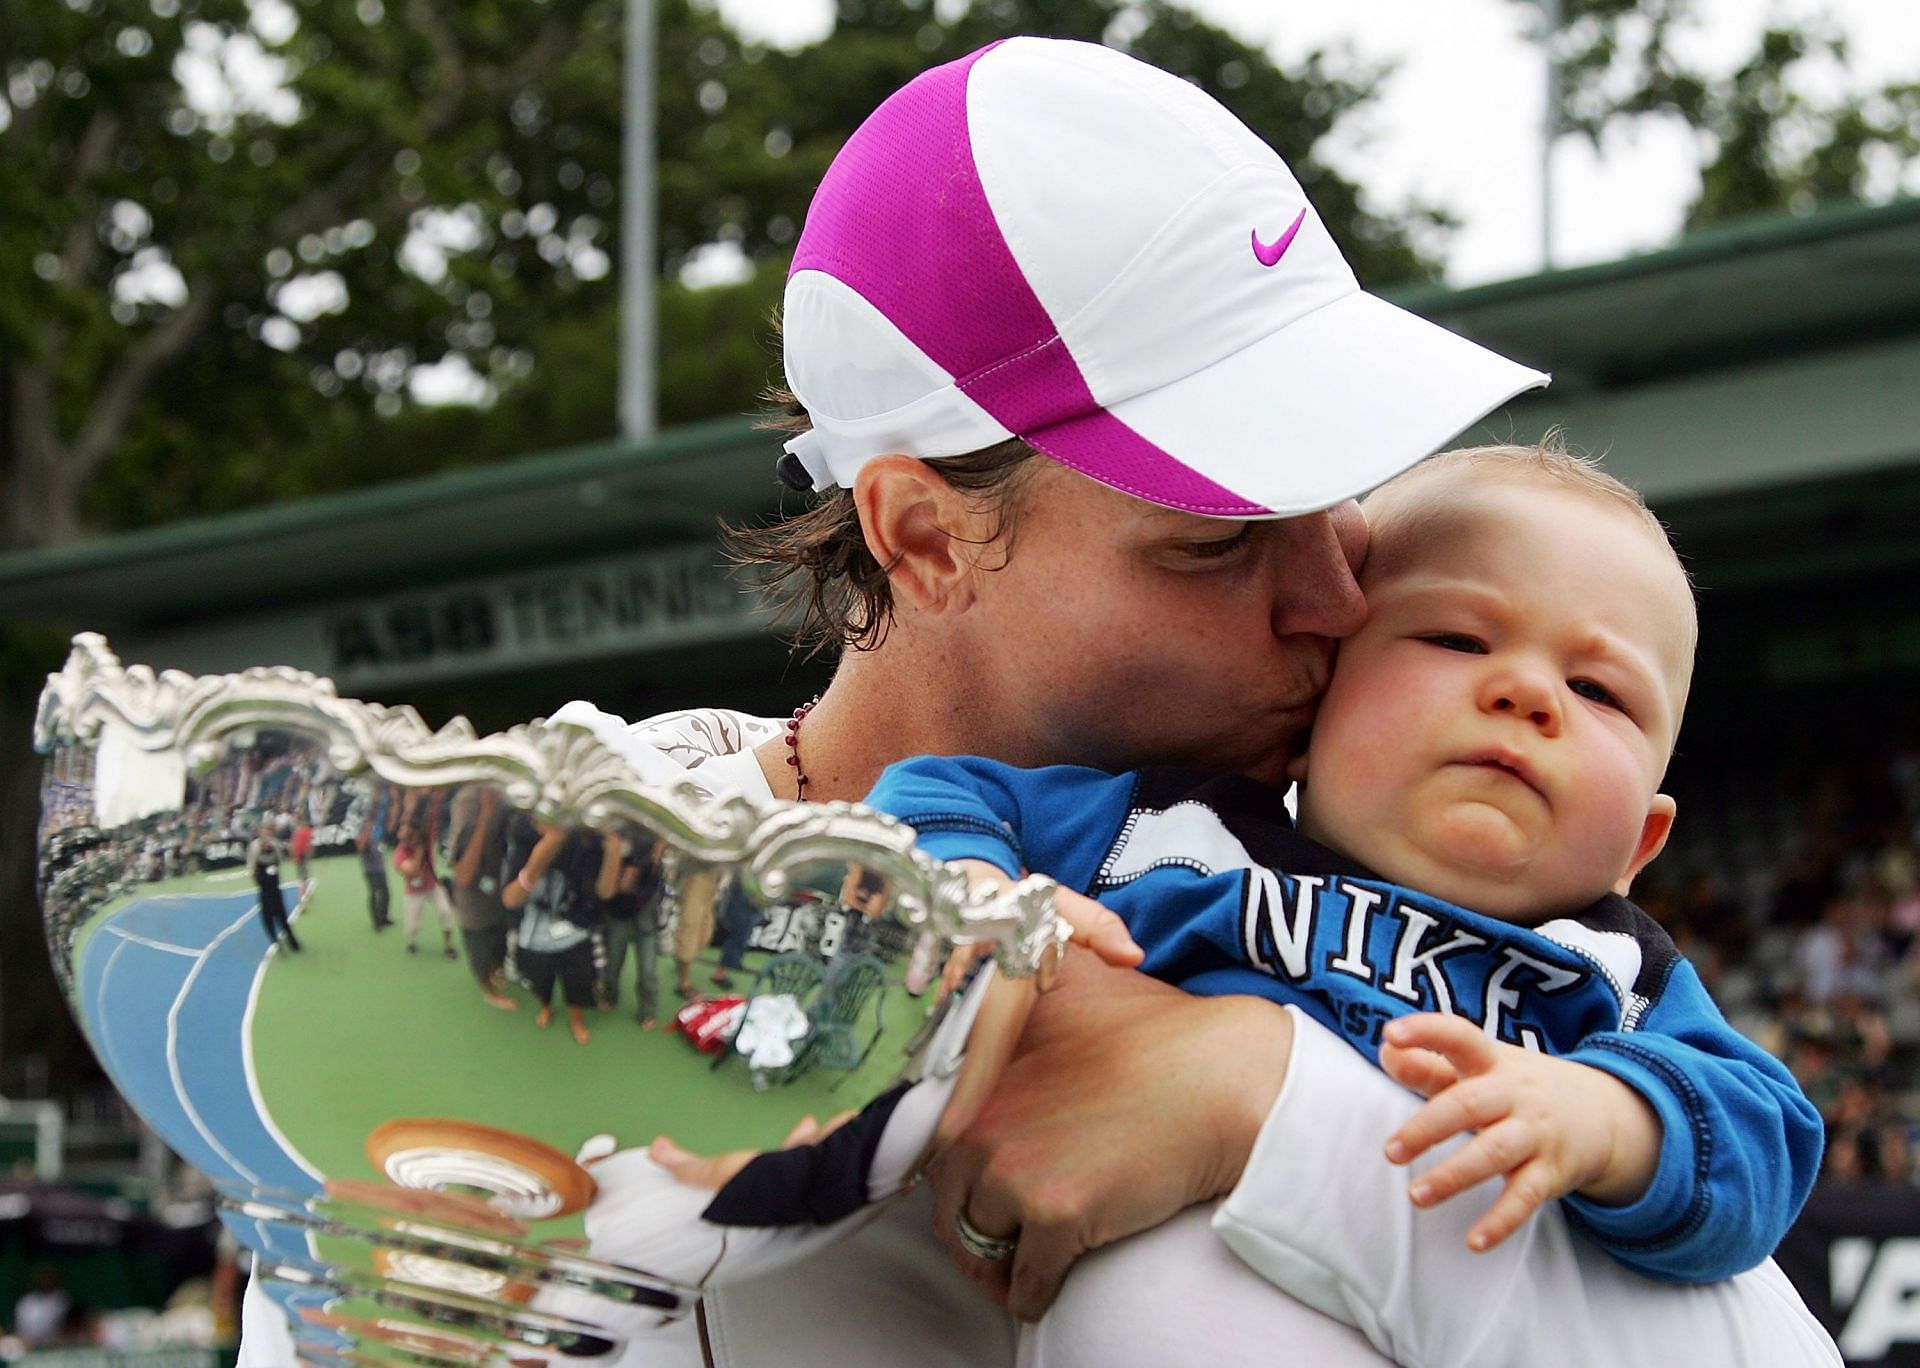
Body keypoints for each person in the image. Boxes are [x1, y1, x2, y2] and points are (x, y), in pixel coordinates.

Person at [239, 37, 1831, 1367]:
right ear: (924, 534)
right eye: (1217, 541)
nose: (1344, 597)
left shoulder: (1380, 859)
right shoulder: (534, 890)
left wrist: (1267, 1108)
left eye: (1335, 493)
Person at [863, 443, 1823, 1289]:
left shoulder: (1613, 979)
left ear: (1642, 844)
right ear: (1310, 717)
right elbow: (940, 794)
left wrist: (1604, 1118)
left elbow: (1766, 1140)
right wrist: (972, 892)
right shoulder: (1173, 829)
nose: (1527, 694)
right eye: (1456, 639)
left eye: (1599, 689)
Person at [502, 819, 601, 1044]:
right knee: (540, 980)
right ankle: (545, 1007)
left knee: (578, 982)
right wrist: (543, 852)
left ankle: (576, 1021)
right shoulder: (522, 835)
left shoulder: (584, 840)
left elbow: (599, 892)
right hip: (533, 933)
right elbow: (511, 899)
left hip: (575, 929)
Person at [446, 783, 516, 1009]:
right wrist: (486, 812)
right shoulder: (468, 800)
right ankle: (489, 991)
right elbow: (464, 875)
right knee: (480, 948)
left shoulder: (505, 793)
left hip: (500, 890)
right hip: (474, 900)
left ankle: (496, 973)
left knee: (500, 941)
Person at [598, 832, 666, 1026]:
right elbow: (621, 887)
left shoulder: (652, 834)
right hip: (618, 911)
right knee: (612, 963)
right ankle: (609, 996)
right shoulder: (617, 835)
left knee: (648, 970)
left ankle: (648, 1011)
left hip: (645, 912)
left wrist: (654, 852)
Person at [393, 819, 456, 958]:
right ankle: (411, 942)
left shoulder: (428, 841)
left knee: (445, 911)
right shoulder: (399, 854)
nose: (403, 836)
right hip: (414, 891)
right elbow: (413, 870)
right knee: (412, 926)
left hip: (433, 886)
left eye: (408, 833)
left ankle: (449, 946)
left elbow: (433, 817)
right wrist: (420, 849)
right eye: (402, 833)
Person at [245, 820, 300, 953]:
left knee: (281, 914)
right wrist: (259, 882)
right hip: (264, 885)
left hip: (274, 884)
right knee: (267, 916)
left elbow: (280, 861)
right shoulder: (255, 847)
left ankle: (292, 941)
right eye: (266, 830)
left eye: (270, 830)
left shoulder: (275, 845)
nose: (268, 833)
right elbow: (251, 869)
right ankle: (276, 940)